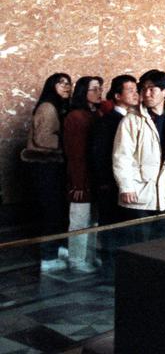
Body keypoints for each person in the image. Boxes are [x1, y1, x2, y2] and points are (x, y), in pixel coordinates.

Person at [113, 70, 165, 235]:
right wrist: (126, 186)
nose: (146, 94)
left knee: (158, 244)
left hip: (164, 193)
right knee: (137, 243)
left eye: (152, 89)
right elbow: (122, 156)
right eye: (144, 89)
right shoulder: (132, 120)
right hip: (138, 192)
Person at [21, 73, 71, 271]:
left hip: (52, 166)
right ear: (52, 86)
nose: (67, 87)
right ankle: (48, 258)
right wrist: (69, 143)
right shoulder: (48, 107)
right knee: (51, 211)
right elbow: (43, 140)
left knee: (57, 210)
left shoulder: (57, 106)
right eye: (62, 83)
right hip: (46, 167)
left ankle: (57, 248)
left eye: (69, 83)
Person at [90, 74, 139, 269]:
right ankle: (108, 267)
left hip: (125, 185)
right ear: (117, 95)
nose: (136, 94)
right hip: (110, 185)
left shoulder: (132, 118)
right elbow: (99, 154)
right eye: (130, 90)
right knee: (111, 227)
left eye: (136, 90)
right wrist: (105, 183)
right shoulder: (108, 121)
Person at [63, 75, 104, 272]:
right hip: (81, 178)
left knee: (93, 220)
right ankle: (77, 259)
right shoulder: (76, 116)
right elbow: (75, 153)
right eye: (94, 89)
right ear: (83, 92)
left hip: (95, 177)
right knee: (79, 220)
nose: (99, 93)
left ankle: (89, 256)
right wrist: (78, 183)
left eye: (99, 89)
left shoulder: (96, 114)